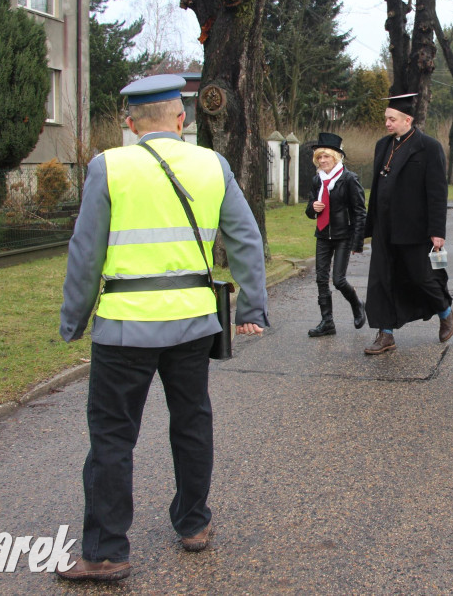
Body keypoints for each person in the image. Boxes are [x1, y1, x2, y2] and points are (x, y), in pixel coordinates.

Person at [57, 75, 269, 582]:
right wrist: (252, 308)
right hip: (194, 322)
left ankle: (107, 551)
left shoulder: (109, 166)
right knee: (192, 422)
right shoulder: (212, 165)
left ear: (129, 125)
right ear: (183, 120)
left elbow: (85, 254)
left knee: (112, 436)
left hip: (125, 326)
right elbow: (246, 239)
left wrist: (73, 318)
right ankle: (194, 524)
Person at [363, 93, 453, 355]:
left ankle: (446, 311)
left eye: (392, 119)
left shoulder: (429, 147)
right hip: (384, 227)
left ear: (408, 119)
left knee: (422, 276)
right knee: (382, 280)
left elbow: (437, 193)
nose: (387, 124)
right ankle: (386, 333)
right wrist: (368, 228)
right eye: (386, 119)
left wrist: (437, 231)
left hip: (414, 227)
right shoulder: (383, 145)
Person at [304, 132, 367, 337]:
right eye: (319, 157)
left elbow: (359, 211)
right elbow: (309, 211)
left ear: (337, 157)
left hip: (343, 235)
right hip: (322, 234)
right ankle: (327, 322)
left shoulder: (349, 179)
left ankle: (357, 305)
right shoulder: (317, 180)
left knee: (338, 280)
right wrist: (313, 207)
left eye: (326, 156)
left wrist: (357, 241)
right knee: (321, 279)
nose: (322, 160)